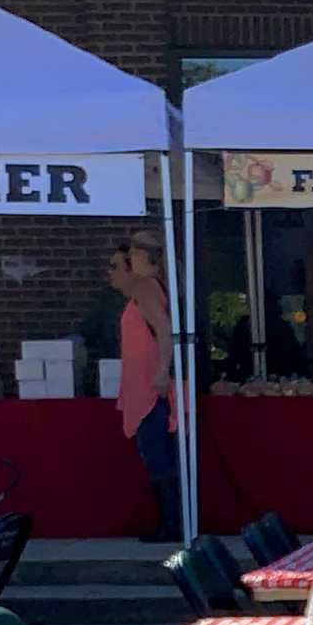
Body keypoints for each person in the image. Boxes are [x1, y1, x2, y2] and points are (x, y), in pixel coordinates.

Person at [117, 230, 180, 542]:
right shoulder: (149, 287)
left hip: (148, 383)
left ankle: (170, 524)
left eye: (133, 253)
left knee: (156, 454)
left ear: (144, 256)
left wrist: (161, 370)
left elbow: (164, 330)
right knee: (157, 453)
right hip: (145, 380)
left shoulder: (146, 287)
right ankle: (170, 521)